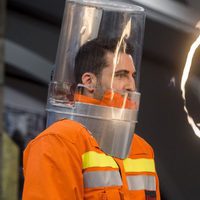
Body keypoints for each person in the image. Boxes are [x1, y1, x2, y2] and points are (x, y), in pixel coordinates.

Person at [22, 38, 160, 199]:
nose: (131, 86)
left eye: (132, 76)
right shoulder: (59, 142)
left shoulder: (142, 149)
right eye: (121, 75)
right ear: (89, 81)